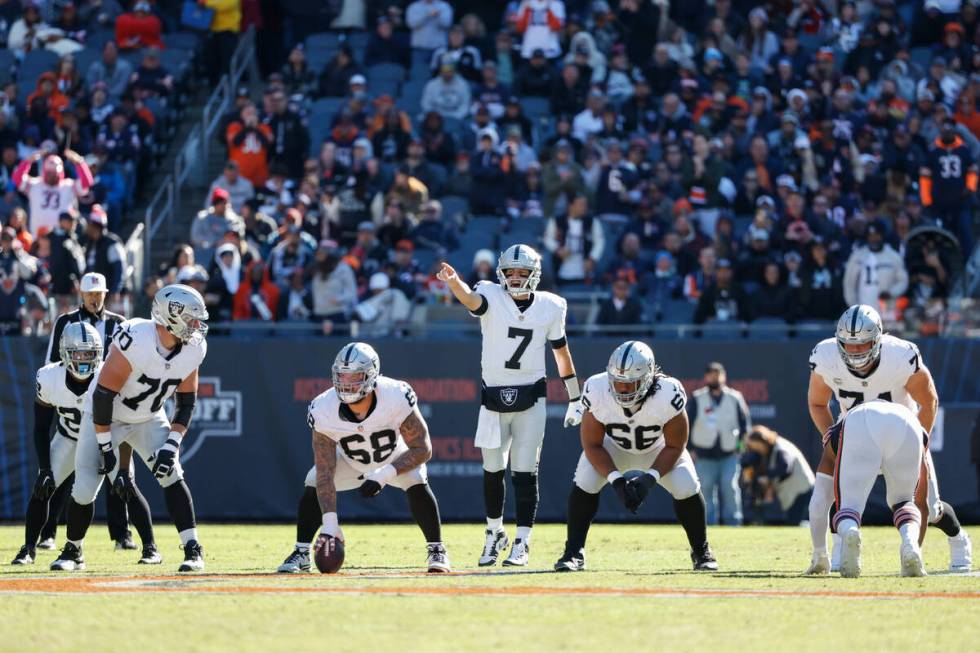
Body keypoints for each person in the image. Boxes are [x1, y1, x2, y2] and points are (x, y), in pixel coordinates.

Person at [437, 244, 581, 567]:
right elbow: (472, 301)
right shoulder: (491, 295)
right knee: (492, 471)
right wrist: (455, 282)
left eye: (522, 272)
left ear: (535, 275)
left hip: (531, 396)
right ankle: (494, 533)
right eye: (511, 272)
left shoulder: (551, 306)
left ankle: (522, 541)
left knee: (525, 472)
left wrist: (574, 396)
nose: (516, 278)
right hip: (492, 399)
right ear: (501, 274)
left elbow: (561, 353)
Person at [51, 285, 210, 572]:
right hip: (105, 416)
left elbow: (186, 402)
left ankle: (192, 548)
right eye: (191, 318)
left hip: (148, 416)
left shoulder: (194, 347)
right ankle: (73, 549)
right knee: (86, 486)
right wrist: (106, 446)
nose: (197, 326)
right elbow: (102, 396)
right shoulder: (136, 337)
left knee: (172, 473)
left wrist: (172, 444)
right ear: (170, 316)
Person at [805, 304, 972, 574]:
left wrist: (920, 441)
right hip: (856, 436)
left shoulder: (899, 354)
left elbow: (928, 402)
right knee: (837, 495)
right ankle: (836, 553)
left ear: (878, 339)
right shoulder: (826, 354)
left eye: (863, 344)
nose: (856, 351)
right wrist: (831, 438)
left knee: (930, 505)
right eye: (849, 345)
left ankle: (955, 541)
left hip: (901, 437)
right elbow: (817, 403)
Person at [276, 342, 451, 574]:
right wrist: (330, 525)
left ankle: (437, 549)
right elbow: (326, 470)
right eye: (342, 376)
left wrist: (384, 474)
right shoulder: (323, 408)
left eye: (354, 376)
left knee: (416, 478)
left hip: (392, 457)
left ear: (371, 375)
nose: (346, 383)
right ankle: (301, 551)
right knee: (314, 478)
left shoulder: (395, 395)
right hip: (350, 461)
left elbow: (422, 448)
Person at [553, 341, 718, 572]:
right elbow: (592, 445)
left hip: (658, 448)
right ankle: (573, 552)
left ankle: (701, 551)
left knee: (686, 485)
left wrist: (649, 479)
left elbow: (675, 445)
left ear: (648, 378)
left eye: (630, 384)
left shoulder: (668, 393)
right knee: (586, 479)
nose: (621, 389)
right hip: (614, 447)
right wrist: (617, 481)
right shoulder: (597, 388)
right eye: (617, 382)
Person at [11, 323, 160, 567]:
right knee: (42, 487)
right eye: (77, 353)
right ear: (64, 352)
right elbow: (40, 428)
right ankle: (28, 549)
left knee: (127, 486)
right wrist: (45, 469)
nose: (83, 359)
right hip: (68, 438)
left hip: (105, 440)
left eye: (89, 353)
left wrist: (122, 466)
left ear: (98, 354)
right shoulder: (49, 377)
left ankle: (151, 548)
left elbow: (126, 421)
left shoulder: (109, 375)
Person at [825, 402, 929, 577]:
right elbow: (922, 496)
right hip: (908, 421)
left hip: (860, 421)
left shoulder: (840, 427)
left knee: (849, 505)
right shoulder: (908, 415)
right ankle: (910, 543)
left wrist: (819, 552)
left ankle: (851, 531)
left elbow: (822, 484)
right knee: (904, 501)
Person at [687, 362, 751, 526]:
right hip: (703, 454)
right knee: (705, 490)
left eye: (718, 374)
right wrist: (690, 450)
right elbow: (686, 425)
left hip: (729, 454)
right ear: (706, 377)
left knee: (730, 488)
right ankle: (707, 525)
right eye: (711, 374)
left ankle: (734, 523)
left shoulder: (735, 398)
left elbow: (745, 427)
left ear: (724, 376)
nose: (715, 377)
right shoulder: (697, 397)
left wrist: (740, 450)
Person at [919, 116, 978, 253]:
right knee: (940, 237)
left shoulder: (964, 149)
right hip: (940, 203)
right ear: (940, 131)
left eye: (950, 130)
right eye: (944, 130)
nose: (947, 133)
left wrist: (970, 188)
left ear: (954, 131)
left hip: (961, 202)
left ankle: (968, 266)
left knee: (966, 237)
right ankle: (945, 268)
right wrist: (927, 200)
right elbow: (925, 178)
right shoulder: (933, 151)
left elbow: (973, 171)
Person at [742, 425, 814, 526]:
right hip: (794, 490)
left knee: (794, 524)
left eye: (757, 447)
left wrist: (767, 477)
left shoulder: (781, 448)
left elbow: (785, 468)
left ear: (763, 440)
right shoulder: (770, 449)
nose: (756, 450)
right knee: (793, 523)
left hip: (801, 488)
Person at [13, 148, 93, 237]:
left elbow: (87, 183)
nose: (52, 176)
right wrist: (28, 161)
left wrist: (79, 162)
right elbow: (17, 179)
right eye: (49, 173)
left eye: (54, 173)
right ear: (44, 171)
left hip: (60, 237)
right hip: (38, 235)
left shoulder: (68, 186)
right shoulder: (35, 184)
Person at [83, 206, 126, 299]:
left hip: (108, 294)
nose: (86, 226)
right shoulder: (90, 243)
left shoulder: (112, 243)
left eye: (89, 224)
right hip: (93, 293)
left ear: (95, 226)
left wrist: (116, 290)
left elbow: (119, 268)